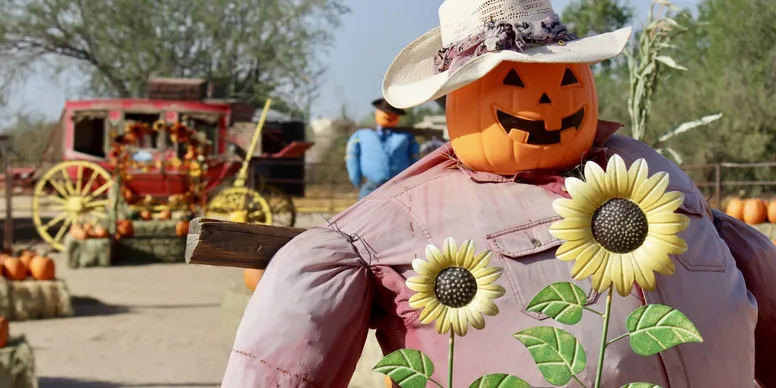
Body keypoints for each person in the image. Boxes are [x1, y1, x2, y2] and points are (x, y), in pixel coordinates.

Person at [222, 0, 776, 387]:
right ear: (460, 96)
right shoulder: (398, 220)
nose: (549, 103)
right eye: (513, 82)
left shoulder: (655, 170)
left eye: (565, 77)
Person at [345, 98, 420, 199]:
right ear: (377, 112)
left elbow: (415, 159)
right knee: (367, 212)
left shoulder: (406, 138)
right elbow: (352, 156)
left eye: (393, 112)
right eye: (386, 111)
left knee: (398, 213)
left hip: (399, 186)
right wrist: (356, 179)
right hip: (371, 185)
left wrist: (413, 180)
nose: (389, 115)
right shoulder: (361, 136)